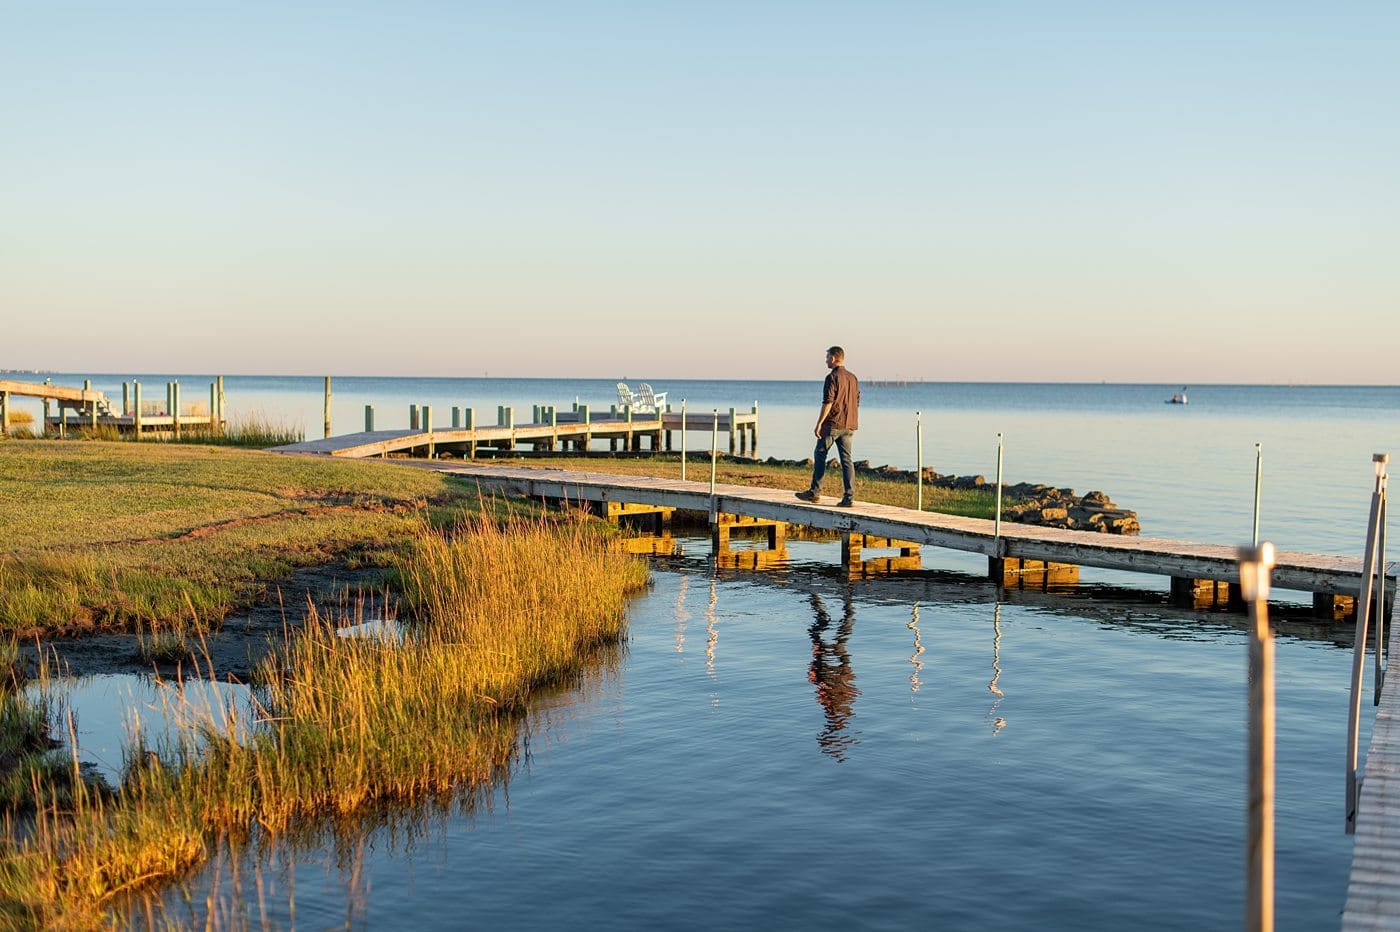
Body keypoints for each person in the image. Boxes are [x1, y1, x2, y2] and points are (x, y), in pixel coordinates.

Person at [795, 345, 860, 507]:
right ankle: (849, 497)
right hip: (850, 424)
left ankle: (815, 492)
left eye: (827, 358)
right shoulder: (853, 378)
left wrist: (819, 423)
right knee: (847, 460)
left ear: (833, 358)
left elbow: (828, 402)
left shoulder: (832, 377)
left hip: (833, 424)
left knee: (820, 454)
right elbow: (857, 401)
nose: (825, 361)